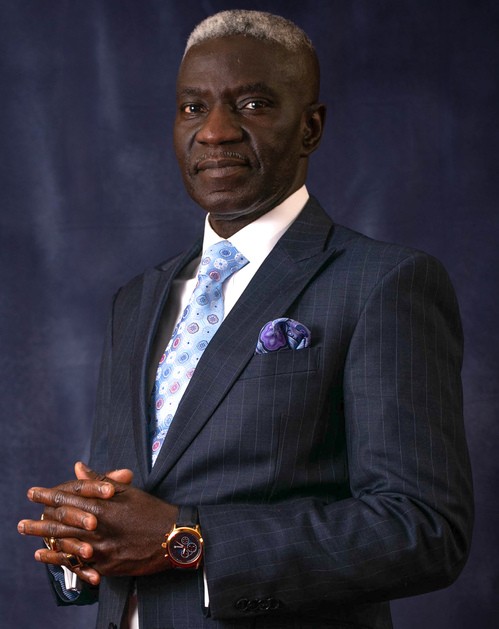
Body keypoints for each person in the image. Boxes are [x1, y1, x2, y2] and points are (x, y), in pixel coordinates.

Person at [18, 10, 473, 629]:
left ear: (310, 128)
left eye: (253, 105)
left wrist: (186, 540)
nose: (215, 132)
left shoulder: (383, 283)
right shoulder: (137, 300)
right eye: (192, 108)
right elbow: (136, 510)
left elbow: (423, 530)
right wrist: (83, 539)